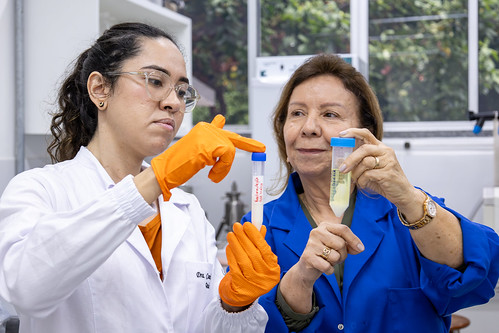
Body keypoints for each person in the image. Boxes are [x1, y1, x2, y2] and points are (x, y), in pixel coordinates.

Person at [0, 22, 280, 333]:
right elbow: (25, 289)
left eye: (182, 91)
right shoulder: (41, 190)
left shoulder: (186, 210)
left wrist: (234, 303)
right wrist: (155, 180)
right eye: (155, 81)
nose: (173, 102)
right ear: (100, 89)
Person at [241, 53, 499, 332]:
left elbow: (477, 276)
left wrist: (409, 199)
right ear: (282, 132)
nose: (309, 128)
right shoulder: (257, 229)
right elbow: (241, 324)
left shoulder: (407, 213)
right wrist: (300, 280)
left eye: (330, 114)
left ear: (366, 134)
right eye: (297, 113)